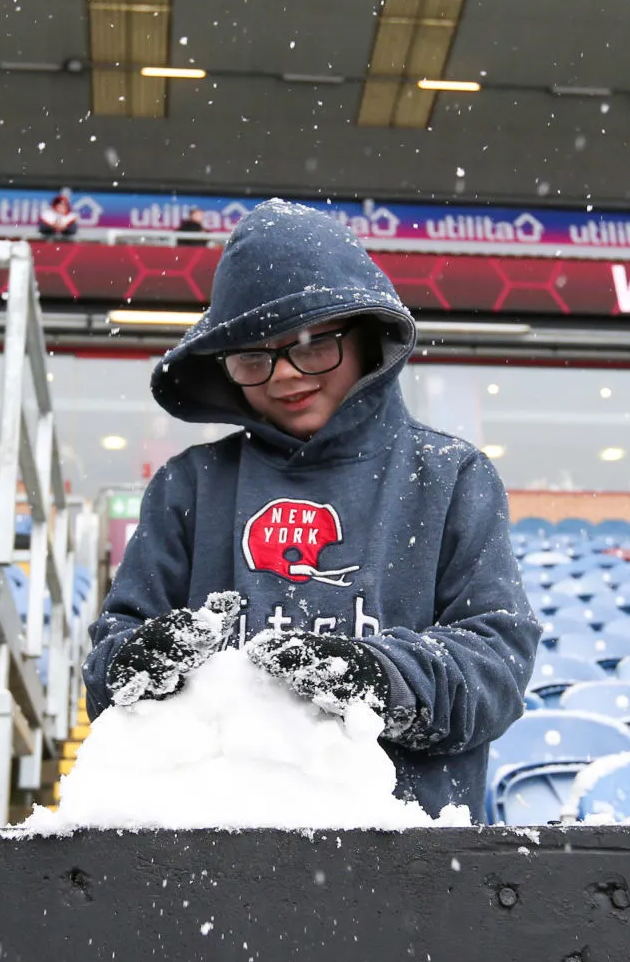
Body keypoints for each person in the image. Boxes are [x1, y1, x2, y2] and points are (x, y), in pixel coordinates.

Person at [83, 200, 538, 820]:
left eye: (310, 344)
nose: (285, 376)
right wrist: (136, 662)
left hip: (409, 857)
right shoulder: (187, 487)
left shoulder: (452, 478)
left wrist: (379, 679)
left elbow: (496, 666)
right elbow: (109, 668)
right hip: (208, 852)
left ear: (363, 335)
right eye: (253, 357)